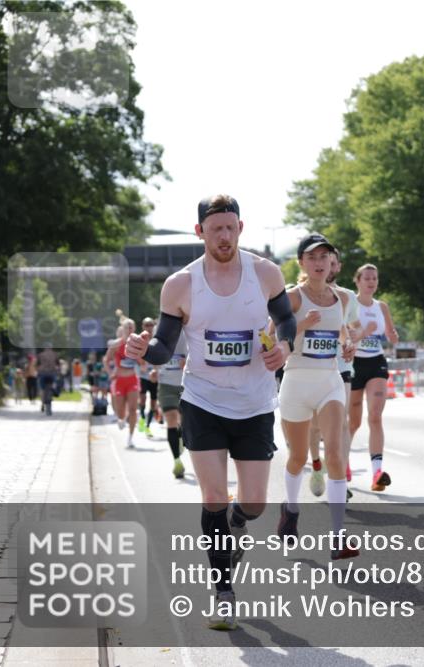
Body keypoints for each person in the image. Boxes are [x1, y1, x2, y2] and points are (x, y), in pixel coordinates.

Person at [125, 194, 294, 632]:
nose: (224, 235)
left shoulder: (265, 273)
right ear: (199, 231)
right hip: (202, 400)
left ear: (241, 228)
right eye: (215, 228)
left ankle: (238, 524)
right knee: (214, 496)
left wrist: (287, 347)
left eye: (230, 227)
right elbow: (164, 345)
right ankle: (223, 593)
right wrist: (147, 352)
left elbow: (286, 319)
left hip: (255, 401)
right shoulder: (181, 285)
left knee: (254, 502)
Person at [274, 233, 357, 558]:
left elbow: (343, 333)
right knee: (297, 457)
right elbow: (270, 337)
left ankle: (338, 537)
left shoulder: (343, 299)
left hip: (329, 381)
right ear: (302, 263)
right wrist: (301, 325)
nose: (320, 263)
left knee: (335, 454)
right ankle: (290, 509)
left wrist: (348, 345)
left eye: (325, 257)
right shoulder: (292, 298)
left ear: (331, 263)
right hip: (295, 382)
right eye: (313, 258)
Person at [307, 250, 359, 499]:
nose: (326, 265)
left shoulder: (347, 297)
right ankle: (317, 464)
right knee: (314, 426)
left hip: (341, 368)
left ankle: (340, 474)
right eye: (319, 260)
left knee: (342, 423)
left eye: (331, 262)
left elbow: (350, 328)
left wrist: (350, 342)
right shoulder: (300, 293)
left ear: (336, 267)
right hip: (312, 370)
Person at [348, 263, 398, 492]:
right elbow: (346, 335)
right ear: (357, 281)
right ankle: (342, 461)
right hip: (354, 363)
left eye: (374, 278)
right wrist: (363, 333)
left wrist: (392, 335)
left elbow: (391, 335)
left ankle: (377, 472)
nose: (371, 282)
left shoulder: (382, 307)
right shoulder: (350, 303)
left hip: (376, 363)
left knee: (375, 416)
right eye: (366, 278)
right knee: (353, 421)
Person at [156, 324, 189, 480]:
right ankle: (177, 461)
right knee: (170, 419)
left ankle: (181, 437)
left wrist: (188, 363)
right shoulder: (161, 327)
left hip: (186, 385)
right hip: (166, 385)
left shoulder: (192, 325)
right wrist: (153, 370)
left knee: (184, 424)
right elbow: (154, 354)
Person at [105, 318, 141, 447]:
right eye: (127, 327)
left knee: (133, 409)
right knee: (120, 410)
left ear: (134, 329)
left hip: (132, 379)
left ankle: (130, 438)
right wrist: (110, 374)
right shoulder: (116, 345)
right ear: (123, 329)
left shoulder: (137, 344)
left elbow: (142, 363)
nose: (129, 329)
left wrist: (142, 362)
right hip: (119, 380)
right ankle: (121, 418)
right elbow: (106, 360)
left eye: (131, 327)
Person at [137, 317, 159, 436]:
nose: (149, 327)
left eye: (151, 325)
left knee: (154, 403)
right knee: (143, 398)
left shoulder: (156, 340)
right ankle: (141, 418)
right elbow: (136, 354)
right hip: (143, 375)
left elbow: (159, 356)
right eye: (147, 325)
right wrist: (142, 363)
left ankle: (148, 426)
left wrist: (155, 370)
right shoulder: (140, 339)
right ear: (143, 326)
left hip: (154, 376)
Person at [37, 344, 58, 416]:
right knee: (55, 383)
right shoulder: (55, 354)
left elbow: (37, 365)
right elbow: (57, 364)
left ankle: (43, 402)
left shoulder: (40, 355)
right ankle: (55, 391)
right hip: (52, 373)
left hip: (43, 373)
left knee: (42, 389)